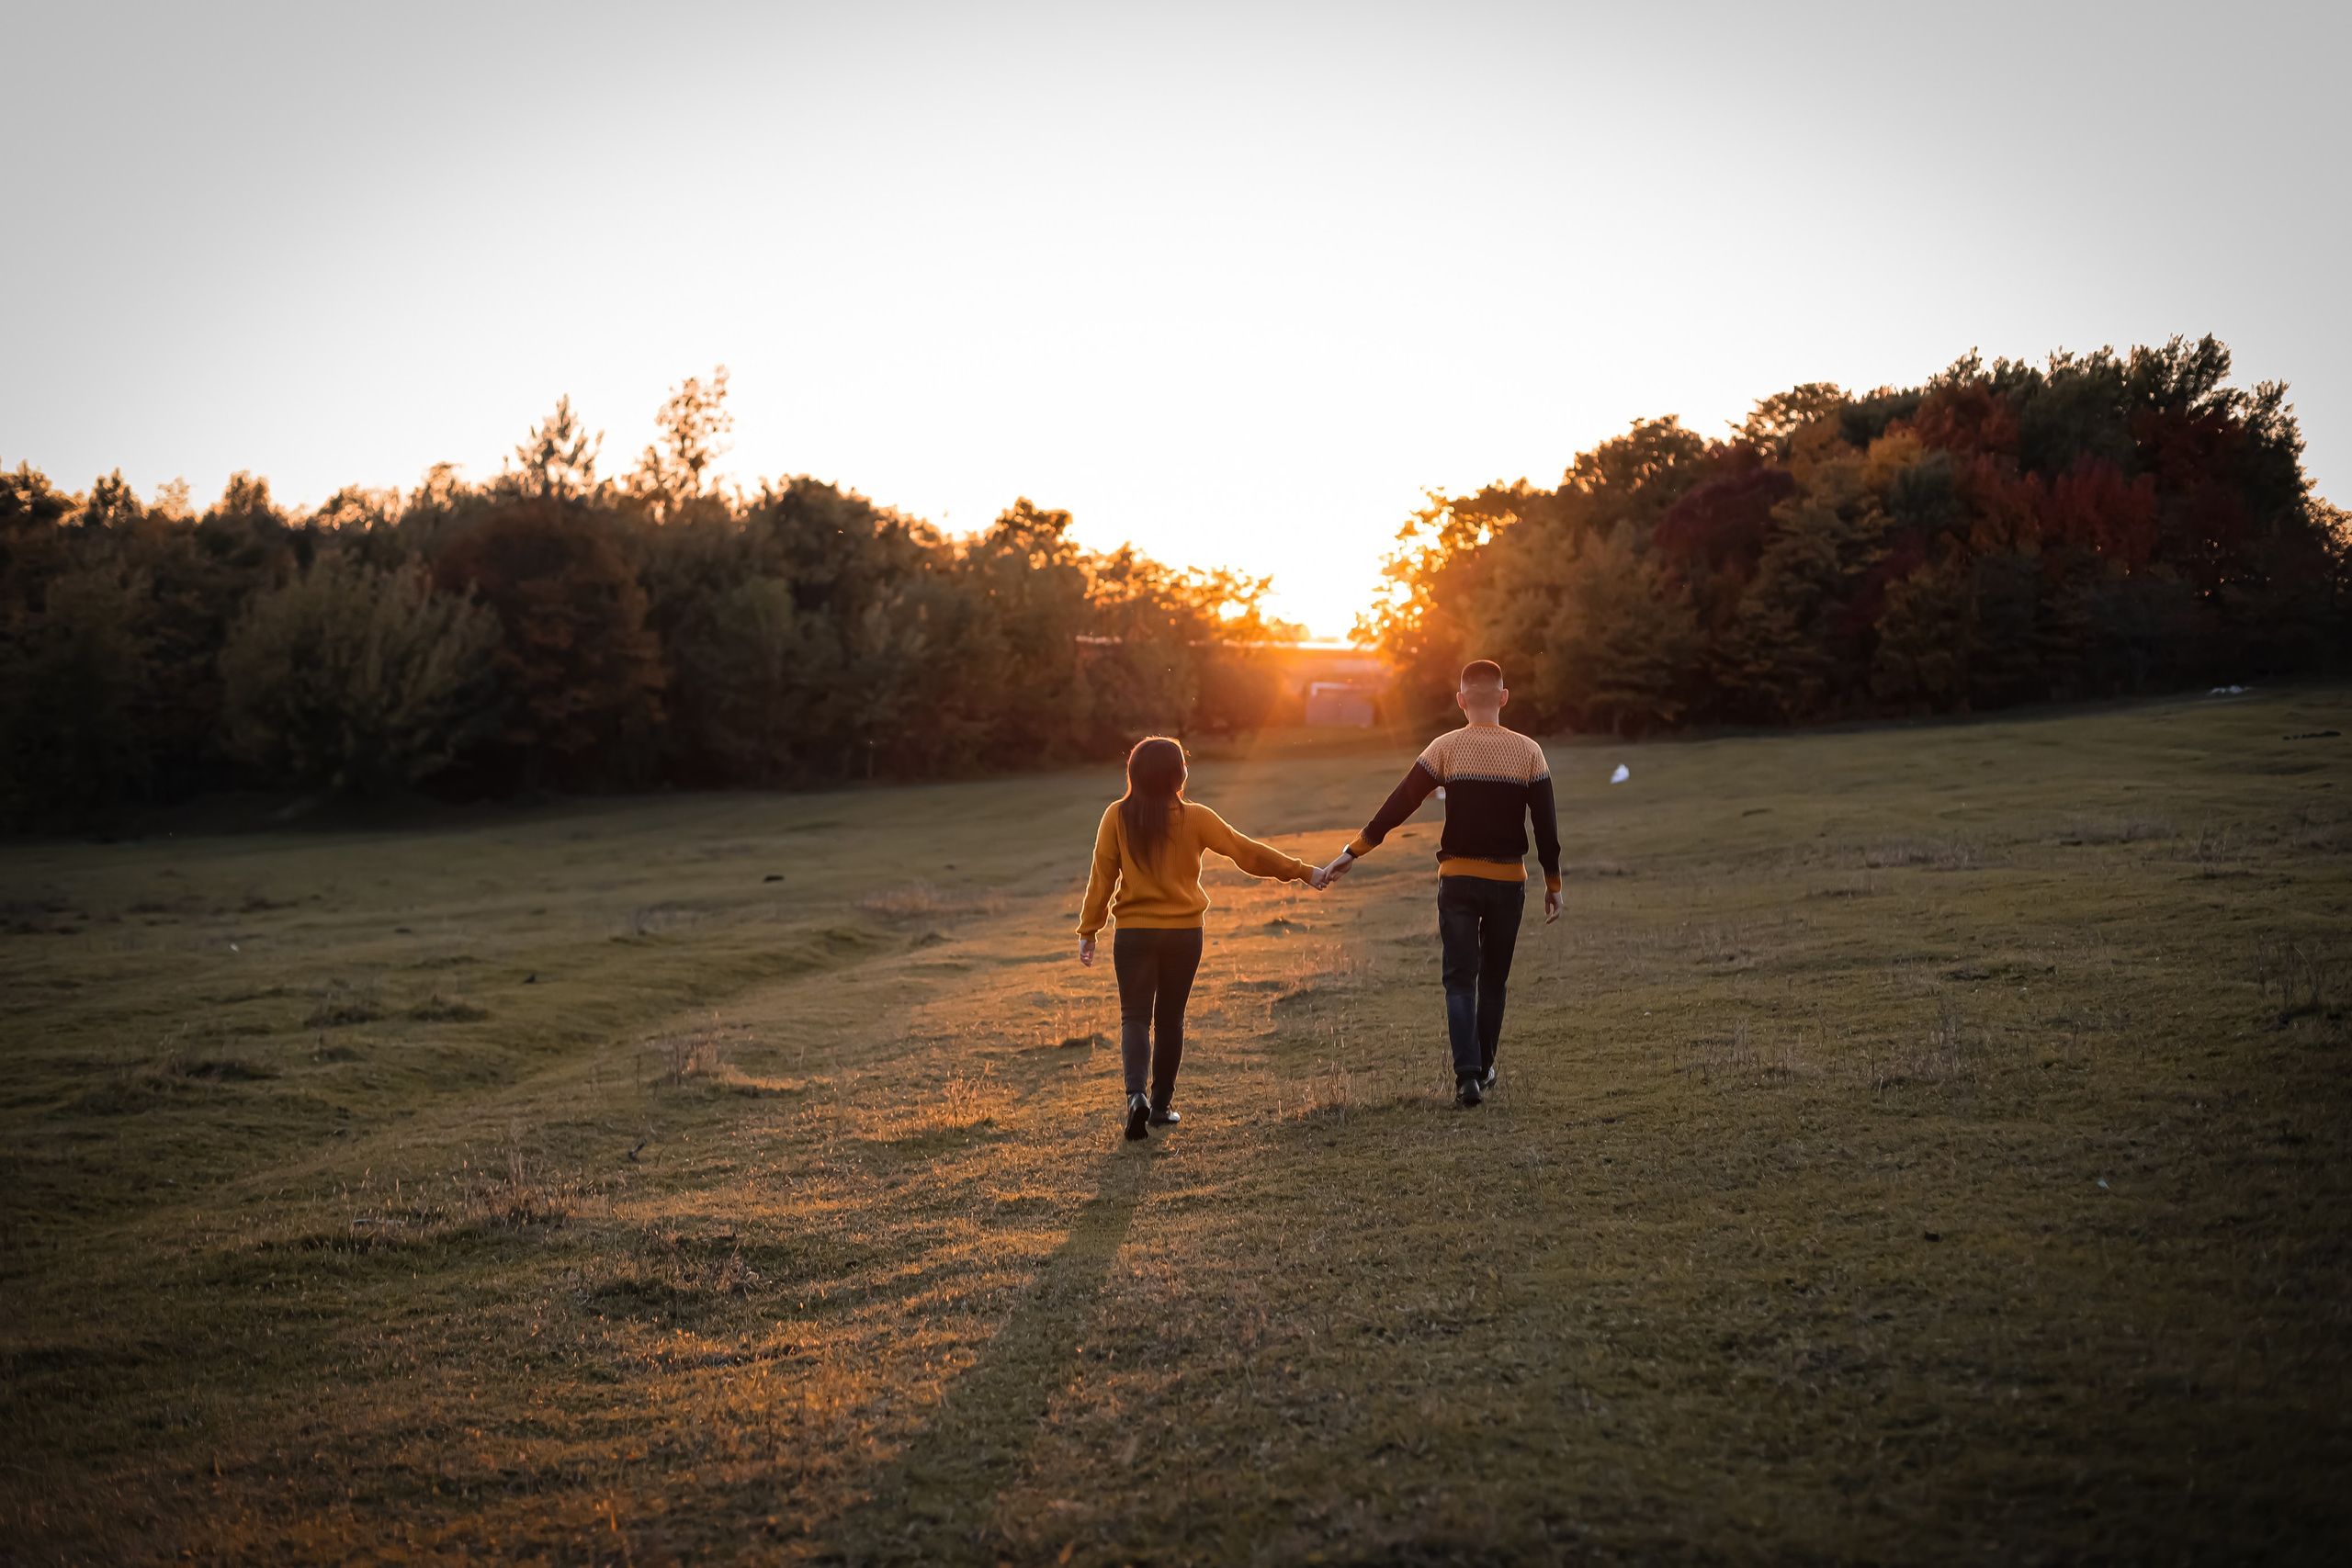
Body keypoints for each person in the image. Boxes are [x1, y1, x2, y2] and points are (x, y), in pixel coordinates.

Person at [1321, 660, 1559, 1106]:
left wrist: (1354, 850)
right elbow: (1545, 824)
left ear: (1461, 700)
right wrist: (1554, 882)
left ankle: (1468, 1076)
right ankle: (1485, 1067)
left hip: (1458, 882)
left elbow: (1400, 803)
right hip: (1509, 883)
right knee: (1493, 981)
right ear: (1504, 698)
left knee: (1458, 981)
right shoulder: (1530, 752)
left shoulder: (1445, 748)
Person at [1078, 737, 1327, 1141]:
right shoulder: (1196, 817)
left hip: (1134, 933)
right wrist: (1303, 871)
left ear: (1134, 775)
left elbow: (1102, 876)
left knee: (1135, 1017)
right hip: (1183, 933)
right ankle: (1160, 1107)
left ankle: (1135, 1096)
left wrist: (1090, 930)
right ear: (1179, 775)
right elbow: (1246, 853)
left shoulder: (1116, 816)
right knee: (1171, 1018)